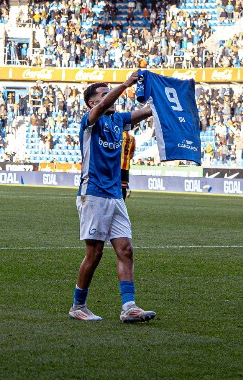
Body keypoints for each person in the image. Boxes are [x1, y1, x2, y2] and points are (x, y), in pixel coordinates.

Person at [70, 72, 156, 324]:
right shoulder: (89, 121)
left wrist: (161, 95)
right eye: (102, 93)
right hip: (93, 193)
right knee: (94, 253)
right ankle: (78, 305)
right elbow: (107, 104)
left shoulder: (118, 120)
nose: (108, 96)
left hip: (114, 195)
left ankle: (129, 306)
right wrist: (125, 84)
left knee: (125, 249)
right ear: (91, 103)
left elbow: (148, 111)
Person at [120, 126, 136, 201]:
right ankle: (122, 203)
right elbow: (132, 154)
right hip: (126, 165)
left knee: (113, 184)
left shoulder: (119, 135)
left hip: (117, 164)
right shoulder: (132, 138)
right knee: (123, 185)